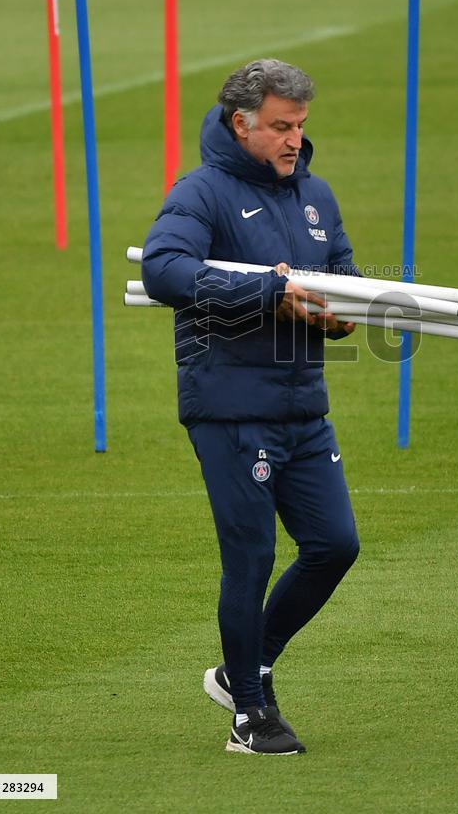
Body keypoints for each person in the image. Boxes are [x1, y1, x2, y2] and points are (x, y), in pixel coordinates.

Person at [141, 59, 360, 755]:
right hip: (230, 409)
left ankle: (243, 671)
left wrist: (341, 316)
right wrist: (267, 292)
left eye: (299, 126)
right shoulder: (200, 192)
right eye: (280, 127)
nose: (294, 140)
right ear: (242, 124)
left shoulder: (314, 195)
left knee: (334, 545)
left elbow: (343, 278)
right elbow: (163, 269)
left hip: (302, 406)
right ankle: (251, 716)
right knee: (252, 555)